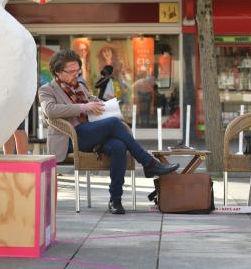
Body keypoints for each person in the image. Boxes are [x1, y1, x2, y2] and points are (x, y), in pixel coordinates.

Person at [38, 49, 179, 214]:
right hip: (70, 138)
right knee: (113, 123)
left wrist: (100, 104)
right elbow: (50, 110)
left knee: (118, 146)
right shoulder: (47, 89)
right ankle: (148, 163)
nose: (75, 75)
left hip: (90, 133)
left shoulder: (80, 87)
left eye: (77, 71)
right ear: (57, 71)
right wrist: (84, 107)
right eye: (71, 72)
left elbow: (91, 101)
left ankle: (116, 200)